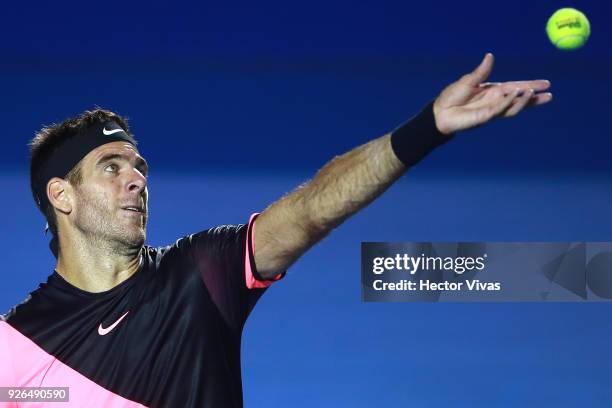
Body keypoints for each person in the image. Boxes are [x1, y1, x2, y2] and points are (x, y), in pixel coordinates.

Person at [0, 53, 551, 407]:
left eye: (140, 166)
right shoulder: (13, 347)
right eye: (112, 167)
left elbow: (313, 208)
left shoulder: (198, 274)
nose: (137, 180)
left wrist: (425, 129)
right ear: (61, 196)